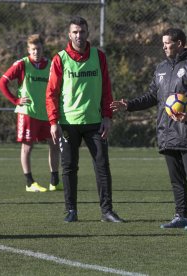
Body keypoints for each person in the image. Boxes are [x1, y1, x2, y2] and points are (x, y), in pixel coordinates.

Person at [111, 28, 187, 231]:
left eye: (168, 42)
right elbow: (151, 97)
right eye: (163, 43)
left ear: (180, 43)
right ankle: (181, 215)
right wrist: (129, 105)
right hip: (166, 131)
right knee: (176, 177)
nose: (164, 46)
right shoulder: (161, 68)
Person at [46, 16, 123, 223]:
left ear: (88, 33)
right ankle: (71, 211)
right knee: (69, 167)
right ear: (69, 35)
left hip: (95, 122)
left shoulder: (99, 56)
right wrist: (53, 122)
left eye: (82, 32)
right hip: (68, 124)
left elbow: (106, 88)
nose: (79, 35)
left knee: (102, 165)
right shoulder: (60, 59)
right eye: (75, 32)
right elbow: (51, 93)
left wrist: (107, 116)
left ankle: (107, 211)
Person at [0, 34, 61, 193]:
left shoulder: (51, 65)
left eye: (38, 49)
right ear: (28, 50)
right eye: (33, 49)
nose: (36, 52)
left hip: (46, 113)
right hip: (28, 113)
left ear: (42, 49)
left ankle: (54, 181)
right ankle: (29, 182)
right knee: (27, 147)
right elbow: (2, 83)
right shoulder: (22, 64)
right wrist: (15, 100)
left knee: (54, 145)